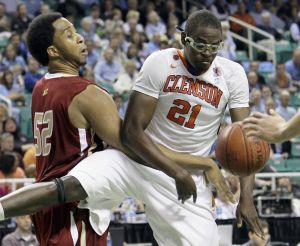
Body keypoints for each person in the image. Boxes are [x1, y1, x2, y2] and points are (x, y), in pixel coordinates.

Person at [0, 10, 261, 246]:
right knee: (72, 185)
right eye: (200, 45)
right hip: (139, 159)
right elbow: (130, 134)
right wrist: (194, 166)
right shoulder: (159, 63)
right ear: (185, 40)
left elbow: (246, 136)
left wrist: (246, 196)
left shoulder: (232, 74)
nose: (207, 52)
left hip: (186, 175)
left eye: (215, 47)